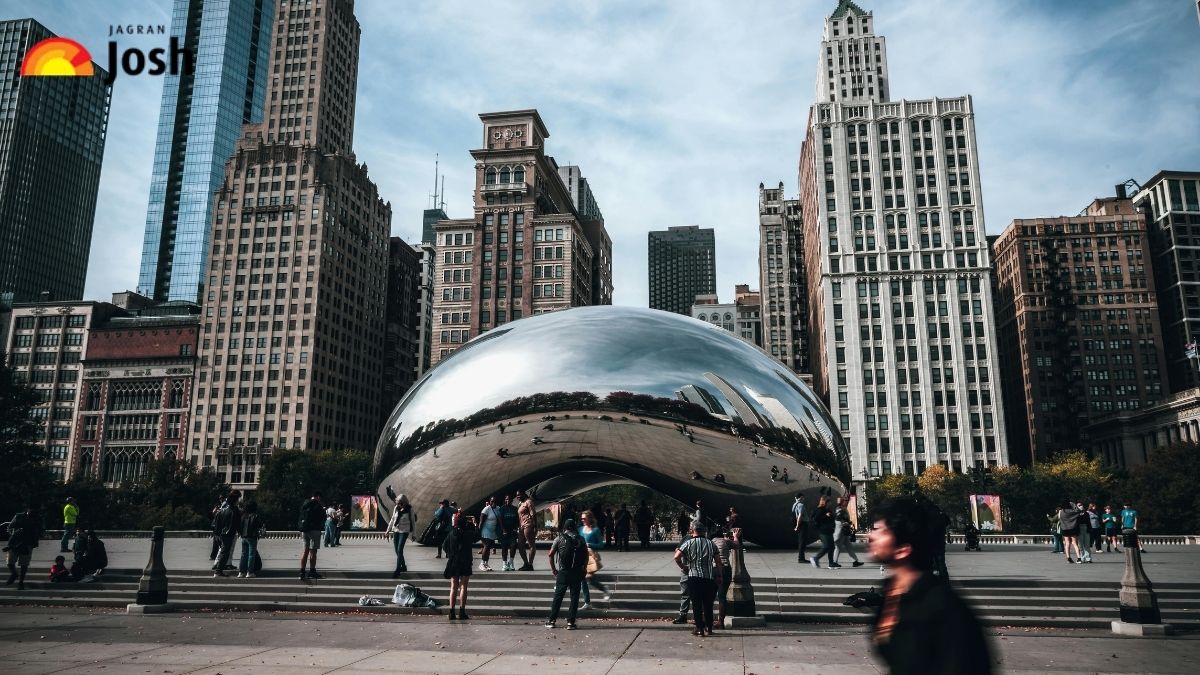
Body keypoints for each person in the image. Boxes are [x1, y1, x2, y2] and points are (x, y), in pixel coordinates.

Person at [867, 497, 992, 675]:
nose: (870, 536)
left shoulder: (942, 606)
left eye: (880, 531)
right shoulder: (891, 593)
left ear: (903, 549)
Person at [675, 520, 722, 637]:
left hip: (693, 576)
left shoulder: (688, 543)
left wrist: (684, 567)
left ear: (692, 530)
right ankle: (709, 628)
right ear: (704, 531)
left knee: (696, 604)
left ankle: (699, 628)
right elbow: (718, 562)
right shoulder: (711, 544)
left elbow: (676, 557)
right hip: (708, 577)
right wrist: (719, 575)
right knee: (708, 604)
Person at [545, 517, 588, 630]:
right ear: (574, 527)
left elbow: (550, 554)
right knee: (574, 597)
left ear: (564, 527)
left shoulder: (559, 538)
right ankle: (571, 622)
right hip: (577, 571)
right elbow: (586, 555)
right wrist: (584, 569)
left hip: (563, 571)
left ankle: (552, 620)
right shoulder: (581, 539)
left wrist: (554, 569)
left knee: (558, 597)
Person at [443, 512, 479, 620]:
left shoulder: (451, 533)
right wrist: (476, 525)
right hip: (466, 562)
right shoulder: (468, 534)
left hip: (454, 561)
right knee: (464, 587)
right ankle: (462, 612)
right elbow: (478, 536)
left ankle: (451, 612)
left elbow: (444, 546)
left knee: (453, 587)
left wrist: (451, 554)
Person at [578, 511, 611, 607]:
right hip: (581, 556)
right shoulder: (580, 529)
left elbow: (601, 545)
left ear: (590, 518)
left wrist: (590, 544)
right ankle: (602, 589)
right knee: (585, 579)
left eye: (584, 518)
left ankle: (588, 601)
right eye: (582, 518)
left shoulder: (595, 530)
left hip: (591, 557)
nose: (582, 520)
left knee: (586, 578)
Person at [4, 505, 36, 590]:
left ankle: (21, 582)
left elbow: (39, 530)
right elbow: (10, 527)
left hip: (27, 543)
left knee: (24, 564)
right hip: (15, 542)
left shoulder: (37, 518)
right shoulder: (19, 516)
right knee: (10, 561)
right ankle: (14, 574)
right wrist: (13, 535)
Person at [212, 490, 242, 577]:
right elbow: (237, 523)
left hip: (220, 534)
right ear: (235, 500)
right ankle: (218, 571)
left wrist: (217, 534)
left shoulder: (222, 510)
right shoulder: (235, 510)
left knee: (223, 552)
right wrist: (241, 532)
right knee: (225, 553)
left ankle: (218, 569)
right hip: (228, 534)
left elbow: (217, 523)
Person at [298, 490, 325, 580]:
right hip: (314, 530)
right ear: (318, 497)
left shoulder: (305, 503)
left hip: (305, 530)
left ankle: (302, 571)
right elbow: (322, 517)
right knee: (313, 552)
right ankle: (312, 571)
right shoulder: (317, 505)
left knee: (305, 551)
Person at [710, 526, 733, 628]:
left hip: (714, 568)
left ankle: (708, 619)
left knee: (710, 596)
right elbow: (737, 545)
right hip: (726, 568)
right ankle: (721, 621)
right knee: (722, 597)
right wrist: (736, 537)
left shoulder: (710, 542)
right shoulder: (726, 541)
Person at [388, 494, 416, 576]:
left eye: (399, 503)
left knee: (400, 549)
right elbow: (393, 519)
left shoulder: (409, 509)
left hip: (404, 531)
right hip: (396, 530)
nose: (398, 504)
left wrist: (414, 534)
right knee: (397, 550)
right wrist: (387, 530)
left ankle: (397, 570)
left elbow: (413, 522)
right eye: (397, 502)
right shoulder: (396, 508)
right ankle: (403, 566)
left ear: (404, 502)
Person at [833, 495, 864, 568]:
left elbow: (844, 518)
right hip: (841, 531)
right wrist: (844, 523)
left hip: (845, 531)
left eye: (847, 500)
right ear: (842, 502)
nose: (847, 502)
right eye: (846, 501)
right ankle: (834, 562)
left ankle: (855, 561)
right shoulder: (839, 509)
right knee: (838, 547)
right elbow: (837, 518)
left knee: (849, 546)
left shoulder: (844, 508)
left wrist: (849, 522)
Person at [238, 501, 263, 578]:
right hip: (252, 537)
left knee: (243, 554)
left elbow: (240, 527)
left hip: (244, 537)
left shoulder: (243, 516)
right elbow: (259, 526)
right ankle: (250, 572)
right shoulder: (255, 516)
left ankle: (241, 572)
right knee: (251, 555)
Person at [478, 496, 503, 571]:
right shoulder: (486, 509)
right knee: (486, 545)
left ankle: (486, 563)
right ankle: (482, 563)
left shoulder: (498, 508)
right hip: (485, 530)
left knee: (489, 548)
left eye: (494, 501)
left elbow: (499, 520)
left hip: (493, 530)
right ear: (489, 502)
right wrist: (479, 532)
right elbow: (481, 522)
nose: (493, 503)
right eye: (492, 501)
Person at [810, 495, 835, 569]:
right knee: (827, 546)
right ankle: (815, 558)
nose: (830, 503)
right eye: (829, 501)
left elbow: (832, 518)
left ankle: (831, 563)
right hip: (823, 531)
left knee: (832, 547)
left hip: (829, 530)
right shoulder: (820, 509)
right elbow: (817, 519)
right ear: (825, 502)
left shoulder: (828, 509)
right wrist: (826, 516)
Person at [516, 491, 538, 571]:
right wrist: (519, 527)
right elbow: (520, 517)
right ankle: (525, 563)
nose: (517, 497)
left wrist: (535, 526)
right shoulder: (520, 504)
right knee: (520, 545)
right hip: (522, 526)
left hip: (529, 525)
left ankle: (530, 564)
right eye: (517, 496)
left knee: (531, 545)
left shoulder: (528, 502)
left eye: (519, 495)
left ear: (523, 494)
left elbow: (533, 514)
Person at [498, 494, 520, 571]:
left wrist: (516, 528)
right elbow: (500, 520)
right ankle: (504, 564)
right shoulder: (502, 509)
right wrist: (503, 530)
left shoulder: (514, 509)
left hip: (512, 531)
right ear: (505, 500)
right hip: (504, 532)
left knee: (513, 546)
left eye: (509, 499)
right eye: (506, 499)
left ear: (511, 500)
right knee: (504, 547)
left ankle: (511, 562)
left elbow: (517, 520)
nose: (507, 501)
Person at [792, 493, 810, 563]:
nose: (804, 499)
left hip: (799, 524)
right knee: (802, 542)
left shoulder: (794, 505)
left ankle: (801, 558)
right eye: (803, 497)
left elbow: (795, 515)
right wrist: (797, 525)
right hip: (802, 524)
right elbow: (799, 516)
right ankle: (801, 558)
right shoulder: (801, 505)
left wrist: (796, 525)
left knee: (801, 541)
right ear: (801, 497)